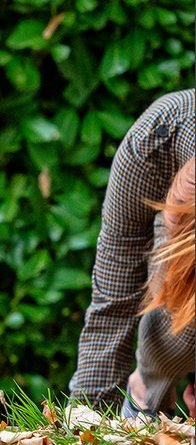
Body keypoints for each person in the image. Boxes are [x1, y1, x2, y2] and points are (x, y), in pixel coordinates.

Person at [69, 89, 195, 417]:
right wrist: (86, 419)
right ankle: (143, 394)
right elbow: (113, 295)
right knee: (176, 328)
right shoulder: (152, 145)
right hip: (162, 150)